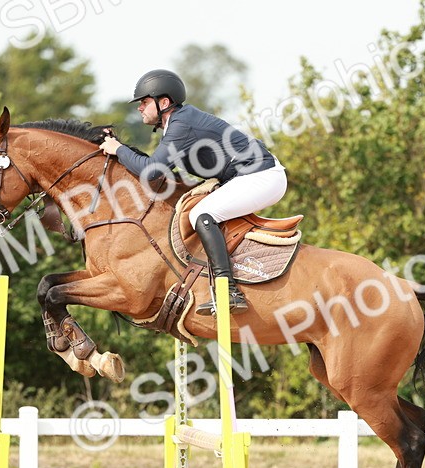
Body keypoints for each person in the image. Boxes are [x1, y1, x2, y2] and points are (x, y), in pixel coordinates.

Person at [100, 69, 287, 316]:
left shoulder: (181, 124)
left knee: (201, 213)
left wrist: (119, 149)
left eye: (144, 102)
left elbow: (151, 171)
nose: (140, 108)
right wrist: (120, 150)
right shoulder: (177, 123)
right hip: (249, 176)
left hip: (261, 176)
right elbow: (157, 168)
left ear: (163, 102)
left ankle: (228, 290)